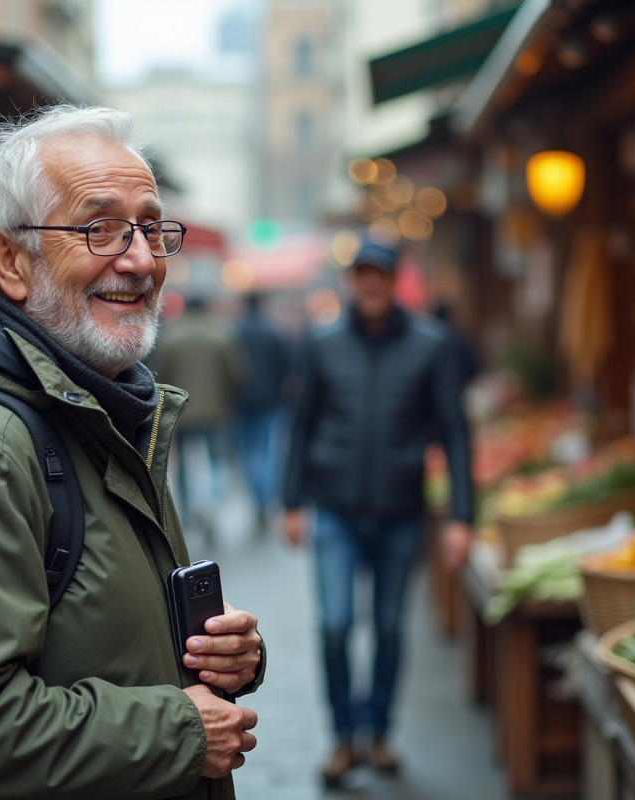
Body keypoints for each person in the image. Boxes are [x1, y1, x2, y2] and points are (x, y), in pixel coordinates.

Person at [0, 105, 263, 800]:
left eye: (151, 228)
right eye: (98, 228)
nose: (139, 259)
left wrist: (220, 658)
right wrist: (178, 731)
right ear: (10, 260)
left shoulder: (101, 408)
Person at [282, 240, 474, 787]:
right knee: (335, 626)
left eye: (380, 275)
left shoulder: (430, 345)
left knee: (390, 629)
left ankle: (379, 733)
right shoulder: (320, 344)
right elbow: (299, 424)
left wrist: (462, 516)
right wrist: (292, 503)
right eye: (362, 274)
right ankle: (344, 739)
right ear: (351, 281)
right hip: (336, 512)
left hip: (401, 512)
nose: (371, 284)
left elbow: (456, 432)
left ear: (394, 281)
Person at [152, 294, 245, 540]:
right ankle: (209, 503)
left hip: (181, 410)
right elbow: (237, 373)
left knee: (182, 465)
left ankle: (187, 507)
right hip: (216, 411)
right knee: (217, 461)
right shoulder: (221, 334)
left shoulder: (172, 336)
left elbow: (160, 374)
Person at [233, 293, 291, 532]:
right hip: (270, 399)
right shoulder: (272, 332)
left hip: (243, 400)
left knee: (249, 453)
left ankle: (258, 499)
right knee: (268, 451)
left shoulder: (235, 332)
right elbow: (286, 366)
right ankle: (265, 499)